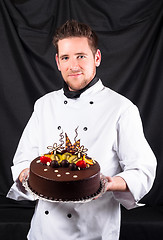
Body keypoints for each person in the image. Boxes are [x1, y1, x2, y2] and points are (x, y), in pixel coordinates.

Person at [7, 20, 157, 240]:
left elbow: (142, 171)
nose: (73, 65)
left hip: (94, 232)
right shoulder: (44, 105)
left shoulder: (121, 109)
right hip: (42, 232)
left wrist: (106, 183)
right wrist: (30, 176)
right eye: (66, 58)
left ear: (96, 58)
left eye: (81, 56)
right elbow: (22, 161)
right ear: (58, 62)